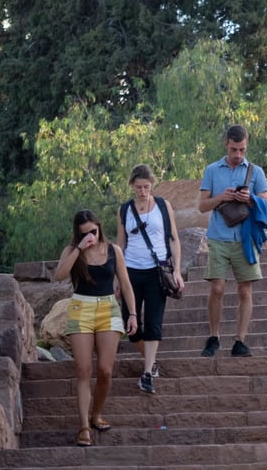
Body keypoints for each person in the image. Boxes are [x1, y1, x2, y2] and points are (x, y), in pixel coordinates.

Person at [53, 209, 137, 447]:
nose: (90, 236)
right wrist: (79, 248)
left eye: (93, 231)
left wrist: (132, 314)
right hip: (81, 307)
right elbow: (59, 275)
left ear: (99, 227)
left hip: (108, 308)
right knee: (83, 369)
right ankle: (83, 426)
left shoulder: (113, 250)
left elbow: (126, 284)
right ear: (77, 234)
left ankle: (96, 413)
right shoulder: (72, 251)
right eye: (84, 233)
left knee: (105, 370)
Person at [198, 124, 267, 358]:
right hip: (218, 235)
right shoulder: (212, 170)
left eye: (242, 150)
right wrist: (222, 197)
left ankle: (240, 340)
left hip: (245, 238)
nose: (238, 155)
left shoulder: (255, 171)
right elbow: (201, 206)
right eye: (233, 150)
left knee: (244, 291)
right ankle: (214, 336)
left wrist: (250, 200)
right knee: (217, 287)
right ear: (225, 145)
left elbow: (266, 206)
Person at [117, 164, 183, 394]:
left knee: (154, 321)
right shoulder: (125, 209)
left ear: (152, 185)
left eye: (146, 187)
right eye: (138, 187)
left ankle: (146, 374)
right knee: (131, 323)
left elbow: (173, 238)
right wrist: (118, 275)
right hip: (132, 270)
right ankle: (151, 360)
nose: (143, 191)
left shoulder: (163, 206)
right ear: (132, 186)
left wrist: (176, 270)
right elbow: (121, 244)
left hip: (157, 270)